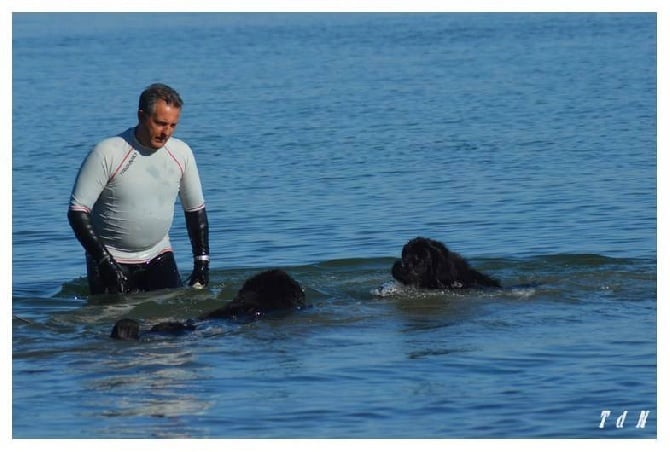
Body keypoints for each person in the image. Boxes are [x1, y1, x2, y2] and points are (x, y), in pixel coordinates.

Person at [68, 83, 210, 295]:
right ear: (142, 116)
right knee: (112, 325)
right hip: (111, 258)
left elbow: (195, 211)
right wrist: (104, 261)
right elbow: (77, 212)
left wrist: (202, 262)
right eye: (161, 123)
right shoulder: (107, 152)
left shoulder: (182, 153)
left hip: (159, 255)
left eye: (173, 125)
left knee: (176, 323)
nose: (166, 133)